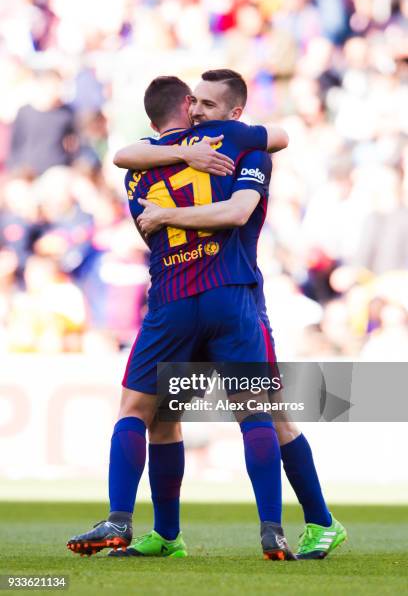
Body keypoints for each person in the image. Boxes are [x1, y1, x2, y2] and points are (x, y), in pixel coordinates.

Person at [111, 69, 347, 560]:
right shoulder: (187, 152)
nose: (198, 112)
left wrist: (166, 212)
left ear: (236, 113)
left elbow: (240, 208)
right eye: (194, 103)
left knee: (271, 413)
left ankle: (317, 522)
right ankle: (170, 535)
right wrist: (185, 152)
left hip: (237, 297)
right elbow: (125, 154)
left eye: (209, 106)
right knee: (168, 416)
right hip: (201, 298)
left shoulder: (240, 145)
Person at [67, 74, 295, 561]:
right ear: (189, 105)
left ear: (151, 119)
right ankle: (272, 529)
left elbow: (125, 154)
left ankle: (126, 520)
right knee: (253, 411)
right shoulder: (227, 140)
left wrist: (173, 156)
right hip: (229, 294)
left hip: (172, 297)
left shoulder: (136, 169)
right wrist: (198, 150)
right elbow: (276, 138)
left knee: (144, 414)